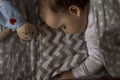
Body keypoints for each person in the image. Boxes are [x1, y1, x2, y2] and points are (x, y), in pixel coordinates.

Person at [39, 0, 120, 79]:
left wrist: (72, 74)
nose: (65, 32)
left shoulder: (94, 33)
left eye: (63, 26)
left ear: (75, 11)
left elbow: (96, 61)